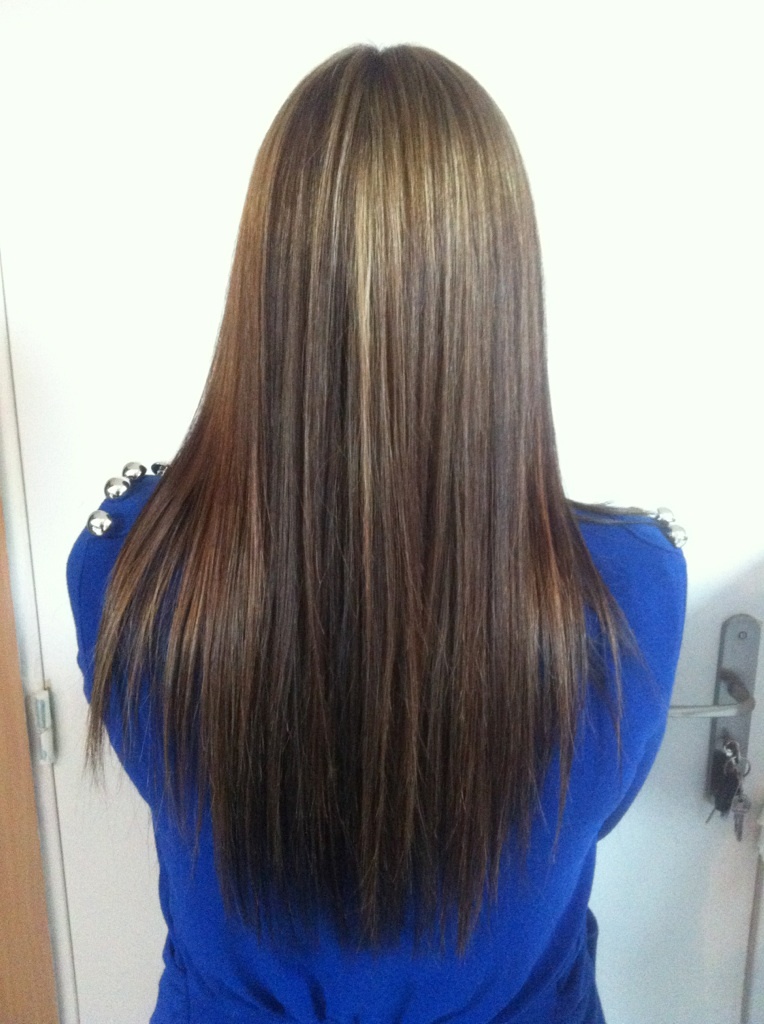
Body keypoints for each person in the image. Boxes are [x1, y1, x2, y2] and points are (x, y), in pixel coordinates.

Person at [66, 43, 687, 1024]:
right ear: (501, 295)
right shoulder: (630, 594)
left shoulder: (124, 568)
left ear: (265, 285)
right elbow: (589, 814)